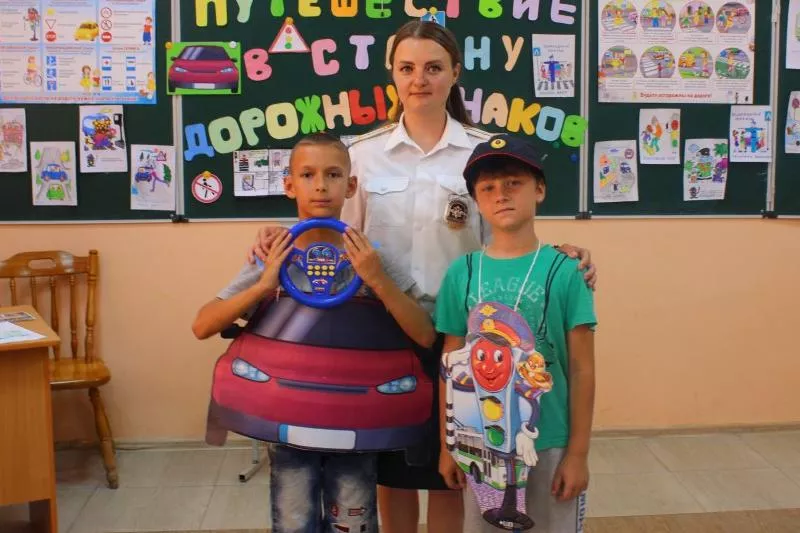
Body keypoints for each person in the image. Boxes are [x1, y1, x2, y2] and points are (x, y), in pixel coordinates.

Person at [248, 21, 597, 533]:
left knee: (452, 470)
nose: (420, 80)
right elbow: (334, 235)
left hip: (463, 337)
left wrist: (561, 254)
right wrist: (276, 238)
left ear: (454, 73)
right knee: (391, 472)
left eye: (433, 68)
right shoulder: (363, 154)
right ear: (392, 74)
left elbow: (505, 234)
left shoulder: (480, 151)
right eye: (407, 68)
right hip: (383, 332)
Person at [193, 132, 436, 533]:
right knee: (294, 521)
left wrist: (377, 279)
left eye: (333, 174)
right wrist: (263, 284)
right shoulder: (273, 255)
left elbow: (424, 334)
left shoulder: (370, 256)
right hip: (290, 422)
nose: (321, 185)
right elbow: (203, 324)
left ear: (351, 186)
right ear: (289, 185)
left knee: (353, 521)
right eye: (307, 175)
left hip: (356, 424)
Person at [436, 134, 596, 533]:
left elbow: (582, 369)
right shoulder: (462, 273)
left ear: (539, 189)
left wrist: (578, 453)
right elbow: (449, 369)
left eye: (513, 183)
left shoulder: (565, 271)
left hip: (549, 441)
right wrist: (447, 445)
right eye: (488, 188)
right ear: (476, 200)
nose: (501, 195)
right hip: (480, 444)